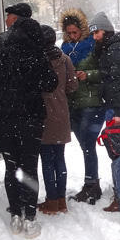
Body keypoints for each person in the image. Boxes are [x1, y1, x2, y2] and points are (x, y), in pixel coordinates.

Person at [0, 16, 57, 239]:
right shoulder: (37, 56)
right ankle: (30, 217)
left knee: (11, 166)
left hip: (3, 118)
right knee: (30, 166)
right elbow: (51, 83)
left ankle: (15, 213)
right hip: (31, 118)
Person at [89, 11, 120, 213]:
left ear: (106, 30)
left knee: (119, 152)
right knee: (119, 150)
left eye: (97, 33)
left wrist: (118, 111)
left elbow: (118, 82)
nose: (94, 37)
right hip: (117, 104)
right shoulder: (109, 47)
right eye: (93, 34)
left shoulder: (116, 49)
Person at [60, 9, 105, 205]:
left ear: (82, 30)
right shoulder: (64, 48)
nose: (72, 36)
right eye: (69, 33)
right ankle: (91, 183)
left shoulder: (93, 45)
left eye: (75, 32)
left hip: (91, 102)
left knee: (88, 145)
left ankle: (92, 184)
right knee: (84, 146)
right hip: (73, 103)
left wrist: (89, 75)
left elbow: (105, 72)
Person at [38, 24, 78, 216]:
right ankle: (61, 200)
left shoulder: (37, 60)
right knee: (60, 158)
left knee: (47, 160)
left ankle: (51, 200)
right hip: (61, 114)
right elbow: (72, 87)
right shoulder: (65, 60)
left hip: (43, 115)